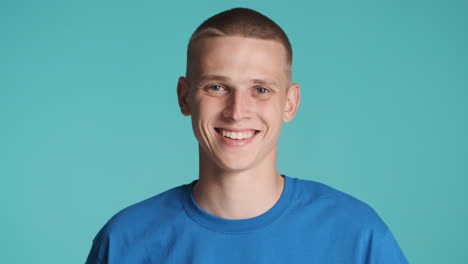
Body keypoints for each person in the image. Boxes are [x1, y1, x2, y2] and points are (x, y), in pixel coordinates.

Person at [85, 7, 408, 264]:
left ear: (290, 103)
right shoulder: (125, 240)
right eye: (216, 87)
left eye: (261, 89)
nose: (237, 111)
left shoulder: (357, 235)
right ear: (185, 97)